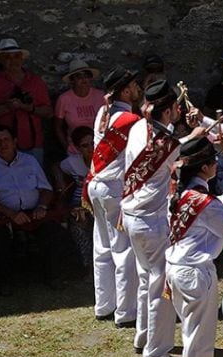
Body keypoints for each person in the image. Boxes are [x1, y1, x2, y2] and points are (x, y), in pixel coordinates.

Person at [121, 81, 207, 357]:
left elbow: (168, 142)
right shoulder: (167, 144)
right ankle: (156, 351)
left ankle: (143, 336)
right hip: (151, 219)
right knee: (158, 284)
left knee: (146, 278)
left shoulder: (137, 128)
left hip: (133, 214)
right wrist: (197, 133)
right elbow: (181, 150)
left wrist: (187, 132)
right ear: (169, 110)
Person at [164, 138, 223, 357]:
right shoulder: (206, 203)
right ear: (205, 167)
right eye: (213, 160)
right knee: (199, 339)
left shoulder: (180, 193)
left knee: (192, 335)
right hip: (195, 272)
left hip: (176, 266)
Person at [86, 68, 142, 326]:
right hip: (114, 187)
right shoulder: (131, 119)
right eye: (134, 85)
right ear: (126, 90)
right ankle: (125, 312)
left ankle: (104, 304)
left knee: (102, 247)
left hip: (96, 182)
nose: (138, 89)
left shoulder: (103, 113)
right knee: (122, 251)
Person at [0, 126, 61, 295]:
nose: (3, 144)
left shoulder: (30, 160)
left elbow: (46, 189)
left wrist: (42, 206)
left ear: (15, 142)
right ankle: (5, 283)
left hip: (34, 211)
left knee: (51, 230)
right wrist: (11, 214)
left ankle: (53, 277)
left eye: (6, 140)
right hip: (3, 214)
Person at [0, 39, 52, 164]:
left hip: (33, 143)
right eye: (7, 57)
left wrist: (29, 108)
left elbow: (48, 112)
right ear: (1, 60)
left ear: (21, 58)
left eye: (16, 56)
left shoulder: (35, 81)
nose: (12, 60)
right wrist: (7, 107)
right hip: (3, 145)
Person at [55, 127, 95, 269]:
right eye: (85, 146)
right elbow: (56, 167)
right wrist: (61, 183)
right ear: (78, 149)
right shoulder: (73, 162)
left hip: (101, 202)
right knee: (79, 224)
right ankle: (87, 265)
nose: (91, 148)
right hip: (79, 203)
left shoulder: (106, 159)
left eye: (93, 143)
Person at [54, 59, 104, 156]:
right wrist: (66, 146)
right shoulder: (64, 99)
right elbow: (57, 126)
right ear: (72, 80)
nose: (83, 79)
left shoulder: (100, 96)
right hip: (75, 149)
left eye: (86, 75)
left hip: (99, 146)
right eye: (79, 76)